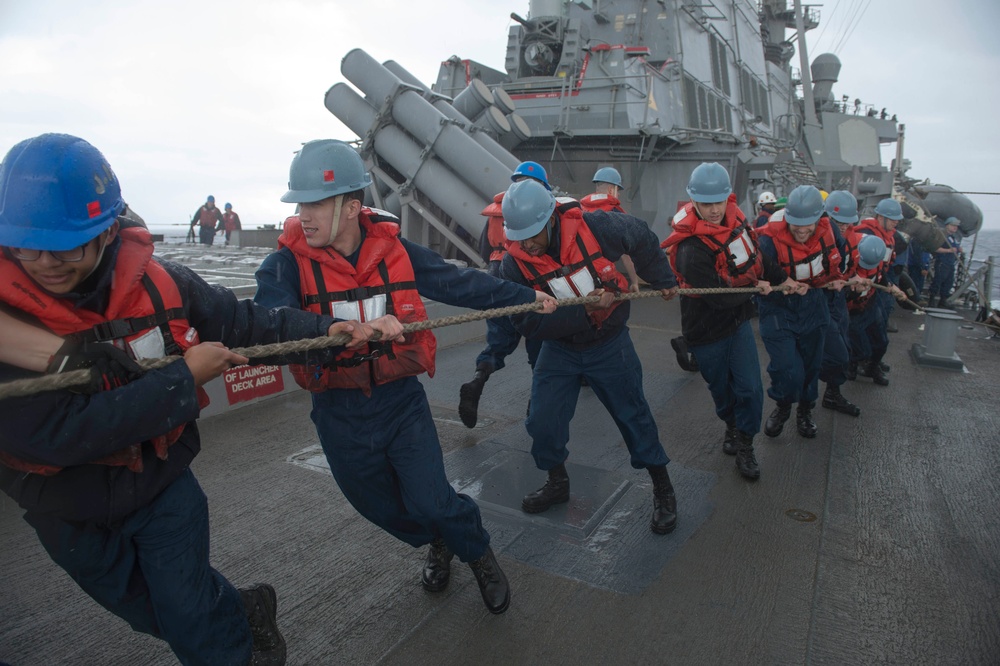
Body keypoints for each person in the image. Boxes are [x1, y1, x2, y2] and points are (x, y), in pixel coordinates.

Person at [0, 134, 368, 665]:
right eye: (26, 247)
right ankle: (244, 608)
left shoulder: (163, 284)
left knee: (195, 630)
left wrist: (328, 328)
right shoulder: (10, 325)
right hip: (65, 508)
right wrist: (182, 379)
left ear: (107, 232)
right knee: (150, 613)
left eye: (66, 248)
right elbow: (49, 435)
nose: (44, 264)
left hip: (162, 483)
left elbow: (245, 322)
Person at [253, 140, 556, 615]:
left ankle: (476, 552)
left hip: (399, 402)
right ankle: (440, 541)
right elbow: (270, 320)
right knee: (380, 507)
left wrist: (526, 296)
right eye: (300, 204)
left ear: (352, 207)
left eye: (314, 202)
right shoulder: (286, 265)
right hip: (338, 411)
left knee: (433, 499)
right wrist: (339, 329)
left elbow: (460, 284)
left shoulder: (395, 251)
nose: (302, 215)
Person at [499, 177, 681, 534]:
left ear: (551, 220)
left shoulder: (597, 226)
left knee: (634, 416)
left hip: (609, 343)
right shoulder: (513, 265)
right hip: (560, 350)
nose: (526, 245)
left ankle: (663, 489)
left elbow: (641, 236)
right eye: (519, 237)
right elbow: (527, 323)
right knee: (542, 421)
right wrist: (585, 312)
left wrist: (663, 278)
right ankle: (557, 482)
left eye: (532, 235)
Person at [662, 163, 804, 480]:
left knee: (750, 389)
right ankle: (731, 424)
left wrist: (783, 279)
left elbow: (758, 258)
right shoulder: (690, 250)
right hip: (705, 329)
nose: (714, 210)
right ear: (694, 202)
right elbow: (719, 298)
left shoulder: (738, 222)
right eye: (706, 203)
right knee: (722, 391)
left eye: (719, 201)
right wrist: (757, 291)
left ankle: (745, 443)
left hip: (737, 323)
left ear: (729, 197)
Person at [459, 161, 548, 428]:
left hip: (496, 274)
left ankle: (477, 381)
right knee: (539, 347)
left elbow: (485, 247)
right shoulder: (539, 209)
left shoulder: (499, 210)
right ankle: (536, 406)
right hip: (524, 274)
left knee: (498, 343)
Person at [757, 185, 848, 440]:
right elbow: (753, 270)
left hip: (815, 305)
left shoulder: (830, 232)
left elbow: (841, 258)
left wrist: (841, 278)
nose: (801, 229)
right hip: (778, 309)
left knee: (811, 366)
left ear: (819, 218)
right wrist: (761, 283)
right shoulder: (768, 240)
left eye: (808, 223)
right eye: (796, 223)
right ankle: (783, 405)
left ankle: (805, 410)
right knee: (787, 368)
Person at [818, 191, 867, 416]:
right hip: (819, 299)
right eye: (838, 222)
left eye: (847, 224)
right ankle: (801, 405)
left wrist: (852, 280)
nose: (843, 228)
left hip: (838, 300)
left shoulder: (851, 239)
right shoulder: (815, 236)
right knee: (828, 352)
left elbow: (848, 268)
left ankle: (832, 393)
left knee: (844, 347)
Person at [854, 198, 903, 382]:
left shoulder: (889, 236)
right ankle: (859, 362)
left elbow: (884, 266)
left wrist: (890, 284)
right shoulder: (866, 234)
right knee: (859, 332)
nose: (896, 222)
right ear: (880, 217)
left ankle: (872, 363)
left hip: (878, 284)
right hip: (863, 288)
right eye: (892, 219)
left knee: (880, 333)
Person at [846, 234, 901, 385]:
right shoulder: (847, 264)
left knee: (882, 342)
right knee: (860, 347)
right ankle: (852, 363)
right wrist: (853, 291)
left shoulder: (878, 263)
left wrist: (892, 287)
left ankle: (872, 367)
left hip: (870, 304)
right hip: (852, 311)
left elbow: (882, 277)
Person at [579, 166, 642, 292]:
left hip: (580, 276)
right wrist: (635, 282)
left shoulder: (580, 210)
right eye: (618, 190)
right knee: (621, 299)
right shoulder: (617, 215)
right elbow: (626, 255)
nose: (618, 194)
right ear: (611, 189)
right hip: (603, 276)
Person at [928, 217, 962, 308]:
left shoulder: (952, 238)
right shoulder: (942, 236)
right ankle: (931, 300)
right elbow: (935, 248)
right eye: (953, 225)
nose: (955, 228)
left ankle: (943, 301)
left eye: (956, 226)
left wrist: (958, 250)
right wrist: (949, 250)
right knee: (938, 281)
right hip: (942, 262)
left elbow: (954, 249)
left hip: (950, 263)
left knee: (948, 282)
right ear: (947, 225)